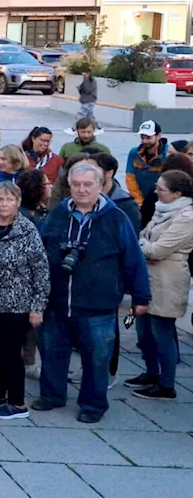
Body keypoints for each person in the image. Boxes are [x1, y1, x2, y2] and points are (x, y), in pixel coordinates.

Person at [36, 161, 151, 423]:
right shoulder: (58, 214)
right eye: (76, 185)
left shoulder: (116, 217)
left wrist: (141, 297)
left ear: (100, 186)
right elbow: (40, 250)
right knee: (52, 351)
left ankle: (93, 404)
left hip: (98, 305)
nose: (82, 190)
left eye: (88, 184)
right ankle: (52, 395)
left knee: (97, 358)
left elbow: (133, 259)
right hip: (56, 301)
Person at [0, 181, 50, 420]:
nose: (4, 204)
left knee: (11, 353)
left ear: (18, 202)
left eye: (9, 199)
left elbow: (41, 271)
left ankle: (17, 403)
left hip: (16, 304)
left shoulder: (26, 230)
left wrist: (37, 307)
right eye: (0, 199)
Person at [127, 169, 192, 401]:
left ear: (176, 193)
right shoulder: (162, 209)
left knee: (162, 332)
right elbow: (143, 238)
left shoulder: (186, 217)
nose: (155, 192)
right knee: (143, 331)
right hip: (149, 277)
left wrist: (145, 247)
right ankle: (151, 373)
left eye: (160, 189)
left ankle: (167, 384)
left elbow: (159, 249)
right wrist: (146, 247)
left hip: (168, 281)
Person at [127, 120, 169, 203]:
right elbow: (130, 178)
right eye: (142, 137)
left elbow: (171, 181)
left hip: (162, 200)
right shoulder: (134, 153)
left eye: (148, 137)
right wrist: (139, 202)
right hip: (140, 199)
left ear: (159, 136)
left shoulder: (168, 154)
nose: (144, 141)